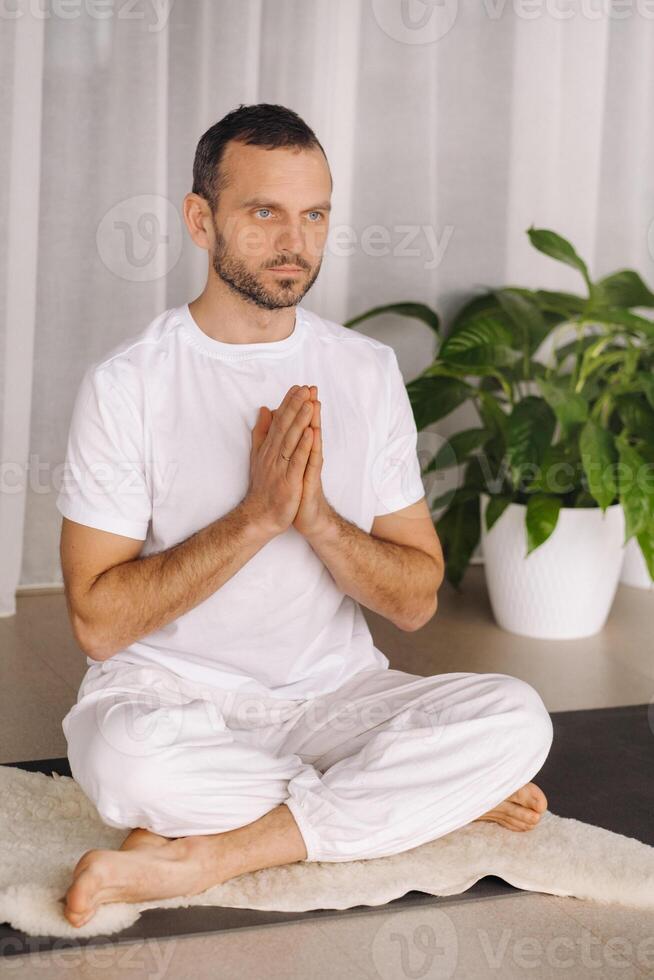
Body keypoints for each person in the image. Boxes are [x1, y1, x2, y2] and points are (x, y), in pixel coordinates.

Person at [57, 103, 553, 928]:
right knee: (123, 763)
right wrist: (256, 517)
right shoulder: (129, 383)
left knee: (517, 719)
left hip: (334, 702)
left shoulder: (363, 370)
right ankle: (406, 801)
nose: (296, 241)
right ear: (199, 220)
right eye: (264, 213)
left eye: (315, 214)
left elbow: (417, 598)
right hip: (174, 697)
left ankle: (217, 850)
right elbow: (97, 625)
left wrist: (317, 520)